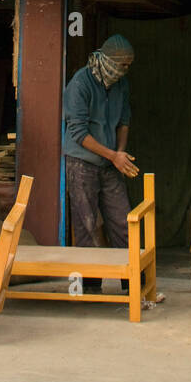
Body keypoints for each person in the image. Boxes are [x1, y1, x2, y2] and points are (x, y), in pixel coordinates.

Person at [63, 35, 138, 291]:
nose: (126, 70)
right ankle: (91, 286)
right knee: (88, 223)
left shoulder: (121, 83)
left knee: (123, 220)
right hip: (81, 161)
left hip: (110, 162)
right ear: (109, 61)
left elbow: (124, 120)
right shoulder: (80, 84)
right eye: (123, 65)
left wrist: (120, 153)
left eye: (129, 65)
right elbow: (79, 133)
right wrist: (112, 156)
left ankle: (131, 283)